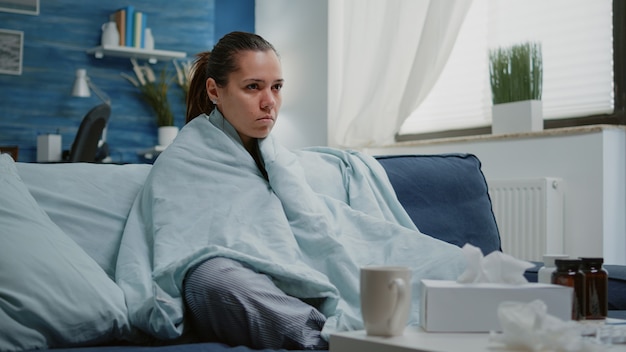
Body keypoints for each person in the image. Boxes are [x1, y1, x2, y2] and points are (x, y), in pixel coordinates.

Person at [115, 31, 466, 350]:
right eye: (253, 87)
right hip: (233, 281)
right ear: (214, 91)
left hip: (288, 273)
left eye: (277, 87)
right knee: (210, 276)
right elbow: (177, 246)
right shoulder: (184, 157)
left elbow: (312, 225)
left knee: (437, 259)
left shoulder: (277, 158)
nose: (269, 101)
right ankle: (323, 341)